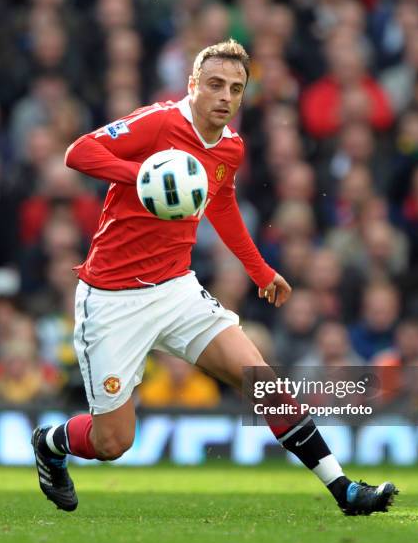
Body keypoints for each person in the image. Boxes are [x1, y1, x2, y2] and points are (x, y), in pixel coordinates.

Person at [31, 39, 398, 515]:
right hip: (112, 298)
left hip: (177, 289)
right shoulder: (160, 121)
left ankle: (343, 489)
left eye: (237, 89)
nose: (225, 96)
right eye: (216, 85)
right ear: (193, 86)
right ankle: (51, 443)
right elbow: (78, 153)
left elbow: (220, 205)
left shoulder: (231, 148)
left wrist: (261, 270)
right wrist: (143, 174)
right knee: (113, 443)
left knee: (262, 382)